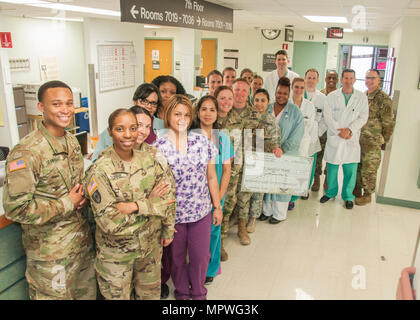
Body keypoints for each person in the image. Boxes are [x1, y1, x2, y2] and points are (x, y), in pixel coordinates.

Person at [3, 80, 96, 300]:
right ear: (41, 107)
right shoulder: (27, 152)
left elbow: (74, 184)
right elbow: (15, 209)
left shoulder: (71, 141)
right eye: (56, 104)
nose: (65, 110)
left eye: (69, 103)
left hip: (80, 246)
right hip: (51, 256)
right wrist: (67, 202)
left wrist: (82, 196)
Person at [84, 108, 175, 300]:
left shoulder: (150, 159)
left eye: (133, 128)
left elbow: (168, 199)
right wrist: (151, 206)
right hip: (116, 257)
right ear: (109, 131)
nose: (128, 134)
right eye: (120, 129)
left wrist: (136, 206)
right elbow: (110, 223)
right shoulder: (99, 171)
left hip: (150, 250)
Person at [153, 95, 222, 300]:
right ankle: (182, 291)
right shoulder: (158, 147)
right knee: (176, 258)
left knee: (201, 257)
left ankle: (199, 292)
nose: (182, 118)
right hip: (174, 215)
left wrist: (217, 206)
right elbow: (157, 187)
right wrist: (164, 219)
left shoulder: (202, 141)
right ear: (168, 116)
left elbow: (211, 176)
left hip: (201, 211)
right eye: (177, 114)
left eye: (186, 114)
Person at [224, 79, 281, 246]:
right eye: (237, 89)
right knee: (228, 198)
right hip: (229, 166)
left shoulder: (254, 115)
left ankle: (242, 228)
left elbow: (265, 138)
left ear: (249, 92)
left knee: (244, 197)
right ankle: (222, 233)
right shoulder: (224, 112)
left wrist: (275, 148)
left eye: (244, 90)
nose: (240, 93)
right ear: (231, 90)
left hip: (249, 163)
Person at [191, 95, 234, 285]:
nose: (208, 114)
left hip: (217, 192)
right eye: (204, 109)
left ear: (218, 114)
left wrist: (219, 198)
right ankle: (195, 267)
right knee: (196, 235)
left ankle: (211, 267)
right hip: (195, 194)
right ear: (197, 112)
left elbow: (226, 171)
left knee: (214, 232)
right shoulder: (189, 137)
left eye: (212, 110)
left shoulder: (223, 139)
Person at [320, 69, 369, 210]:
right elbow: (327, 116)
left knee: (350, 171)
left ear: (354, 80)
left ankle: (348, 197)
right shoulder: (332, 96)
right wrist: (339, 130)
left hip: (351, 138)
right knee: (332, 169)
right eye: (345, 78)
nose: (348, 81)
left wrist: (350, 130)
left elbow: (363, 117)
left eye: (351, 78)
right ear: (341, 80)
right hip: (336, 137)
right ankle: (330, 193)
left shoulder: (361, 97)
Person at [262, 77, 304, 224]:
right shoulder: (267, 107)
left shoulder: (295, 112)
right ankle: (266, 211)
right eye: (279, 92)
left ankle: (279, 214)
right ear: (275, 91)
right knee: (267, 183)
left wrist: (282, 149)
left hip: (285, 154)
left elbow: (297, 136)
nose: (281, 96)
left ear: (289, 93)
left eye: (285, 93)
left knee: (281, 185)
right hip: (268, 153)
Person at [354, 69, 395, 205]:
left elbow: (389, 123)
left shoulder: (383, 99)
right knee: (358, 166)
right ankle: (356, 190)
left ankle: (367, 194)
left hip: (372, 142)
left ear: (379, 80)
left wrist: (383, 139)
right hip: (359, 140)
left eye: (372, 78)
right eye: (367, 78)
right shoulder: (363, 96)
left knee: (369, 169)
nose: (369, 80)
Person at [92, 83, 163, 162]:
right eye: (144, 101)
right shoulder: (118, 125)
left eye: (153, 103)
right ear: (135, 102)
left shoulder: (162, 125)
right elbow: (96, 160)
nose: (149, 106)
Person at [214, 85, 242, 261]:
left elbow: (240, 147)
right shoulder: (209, 117)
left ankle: (220, 242)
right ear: (215, 98)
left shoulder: (237, 120)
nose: (226, 102)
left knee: (227, 206)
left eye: (229, 98)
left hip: (231, 174)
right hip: (211, 173)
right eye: (222, 98)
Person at [248, 88, 282, 232]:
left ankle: (253, 219)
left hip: (262, 160)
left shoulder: (270, 121)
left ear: (268, 103)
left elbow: (276, 141)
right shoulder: (247, 117)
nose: (259, 104)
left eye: (263, 101)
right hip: (246, 158)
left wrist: (276, 149)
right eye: (257, 100)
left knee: (257, 192)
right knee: (244, 191)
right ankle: (240, 217)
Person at [288, 77, 321, 210]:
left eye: (302, 87)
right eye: (296, 87)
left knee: (299, 171)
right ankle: (284, 196)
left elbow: (311, 125)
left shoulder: (309, 105)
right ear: (292, 87)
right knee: (288, 170)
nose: (299, 90)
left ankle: (293, 198)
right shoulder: (287, 103)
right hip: (288, 141)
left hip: (303, 142)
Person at [313, 70, 339, 192]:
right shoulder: (320, 94)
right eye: (329, 77)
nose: (331, 80)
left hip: (334, 133)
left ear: (337, 80)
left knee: (332, 157)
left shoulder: (340, 96)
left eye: (334, 78)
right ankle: (316, 179)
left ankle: (328, 179)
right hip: (321, 132)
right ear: (325, 79)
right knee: (318, 156)